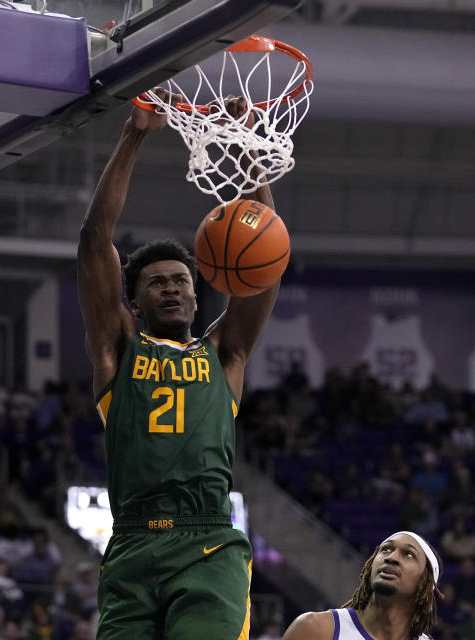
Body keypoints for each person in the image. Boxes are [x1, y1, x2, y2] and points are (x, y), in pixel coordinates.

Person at [77, 93, 280, 639]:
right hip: (133, 545)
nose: (171, 288)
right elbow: (95, 243)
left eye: (181, 281)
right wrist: (134, 135)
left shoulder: (224, 353)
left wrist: (246, 146)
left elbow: (264, 256)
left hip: (207, 542)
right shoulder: (117, 350)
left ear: (197, 298)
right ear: (135, 304)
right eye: (156, 282)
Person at [282, 531, 443, 640]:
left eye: (409, 554)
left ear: (425, 583)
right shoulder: (316, 629)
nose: (392, 557)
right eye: (386, 549)